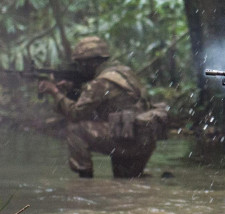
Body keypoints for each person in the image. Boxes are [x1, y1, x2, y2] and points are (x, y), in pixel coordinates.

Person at [38, 36, 158, 178]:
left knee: (76, 129)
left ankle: (85, 180)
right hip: (142, 140)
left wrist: (55, 92)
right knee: (126, 185)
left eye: (81, 64)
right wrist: (74, 89)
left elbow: (75, 113)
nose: (79, 68)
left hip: (127, 140)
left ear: (92, 63)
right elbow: (108, 98)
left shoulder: (100, 82)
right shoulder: (124, 72)